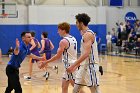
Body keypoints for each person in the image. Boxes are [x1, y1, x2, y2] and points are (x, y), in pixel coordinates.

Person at [39, 22, 84, 93]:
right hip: (71, 65)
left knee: (77, 90)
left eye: (59, 30)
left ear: (63, 30)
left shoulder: (63, 41)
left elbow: (57, 56)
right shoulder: (73, 38)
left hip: (70, 67)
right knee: (64, 86)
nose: (57, 32)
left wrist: (45, 62)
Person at [66, 13, 101, 93]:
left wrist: (73, 65)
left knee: (95, 91)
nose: (76, 25)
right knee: (75, 90)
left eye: (77, 23)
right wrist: (77, 66)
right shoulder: (85, 35)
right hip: (83, 67)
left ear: (81, 23)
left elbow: (86, 54)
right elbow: (83, 54)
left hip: (90, 66)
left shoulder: (88, 35)